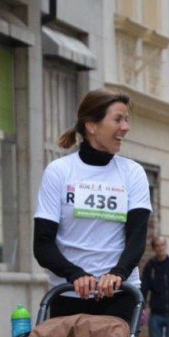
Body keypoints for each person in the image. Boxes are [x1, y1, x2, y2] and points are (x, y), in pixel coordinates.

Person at [33, 88, 151, 321]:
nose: (125, 127)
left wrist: (118, 274)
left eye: (126, 120)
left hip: (119, 294)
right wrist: (74, 274)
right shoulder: (59, 171)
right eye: (117, 119)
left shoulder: (133, 172)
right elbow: (43, 244)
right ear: (91, 126)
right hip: (69, 293)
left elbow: (137, 238)